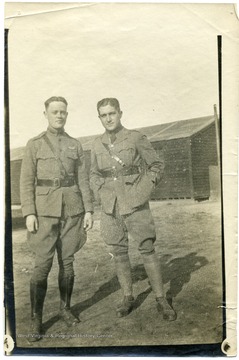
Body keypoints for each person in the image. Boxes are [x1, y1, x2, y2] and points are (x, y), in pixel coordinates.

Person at [90, 98, 176, 320]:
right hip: (110, 206)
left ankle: (161, 299)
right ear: (99, 117)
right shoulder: (97, 144)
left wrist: (142, 192)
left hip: (134, 202)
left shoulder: (136, 138)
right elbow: (93, 173)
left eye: (112, 113)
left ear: (120, 113)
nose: (108, 118)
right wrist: (100, 192)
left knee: (147, 249)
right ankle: (127, 296)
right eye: (103, 115)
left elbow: (156, 165)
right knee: (118, 253)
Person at [20, 96, 94, 341]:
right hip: (44, 212)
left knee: (68, 263)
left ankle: (65, 308)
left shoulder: (75, 144)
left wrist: (89, 210)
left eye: (63, 112)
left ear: (67, 114)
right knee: (42, 266)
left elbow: (83, 180)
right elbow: (26, 181)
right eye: (54, 112)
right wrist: (29, 212)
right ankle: (36, 319)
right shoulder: (35, 144)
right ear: (46, 114)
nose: (59, 115)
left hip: (72, 210)